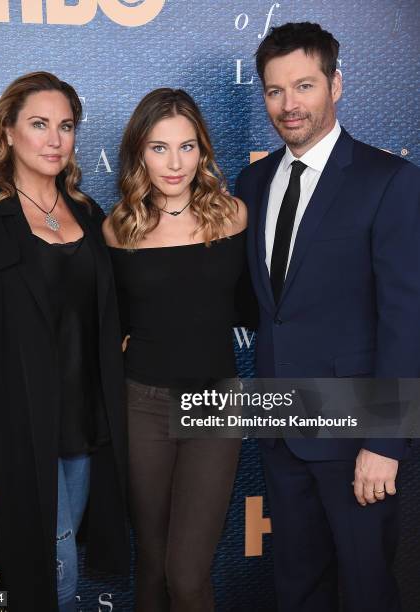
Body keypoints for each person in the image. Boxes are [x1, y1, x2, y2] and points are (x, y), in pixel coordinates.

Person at [235, 22, 420, 612]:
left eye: (304, 85)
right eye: (274, 90)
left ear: (335, 84)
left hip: (356, 435)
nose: (289, 105)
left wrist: (386, 441)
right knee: (297, 588)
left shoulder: (388, 180)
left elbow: (406, 316)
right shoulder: (253, 181)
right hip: (278, 425)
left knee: (367, 589)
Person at [0, 71, 129, 611]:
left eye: (65, 126)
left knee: (56, 578)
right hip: (14, 436)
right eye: (39, 124)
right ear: (8, 132)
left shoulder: (90, 216)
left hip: (85, 433)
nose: (54, 140)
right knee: (51, 583)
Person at [102, 88, 252, 612]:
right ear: (139, 152)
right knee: (152, 566)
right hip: (141, 404)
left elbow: (255, 308)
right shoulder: (118, 228)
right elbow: (110, 323)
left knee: (186, 577)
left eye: (187, 147)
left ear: (203, 151)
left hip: (216, 406)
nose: (175, 163)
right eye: (159, 148)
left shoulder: (232, 216)